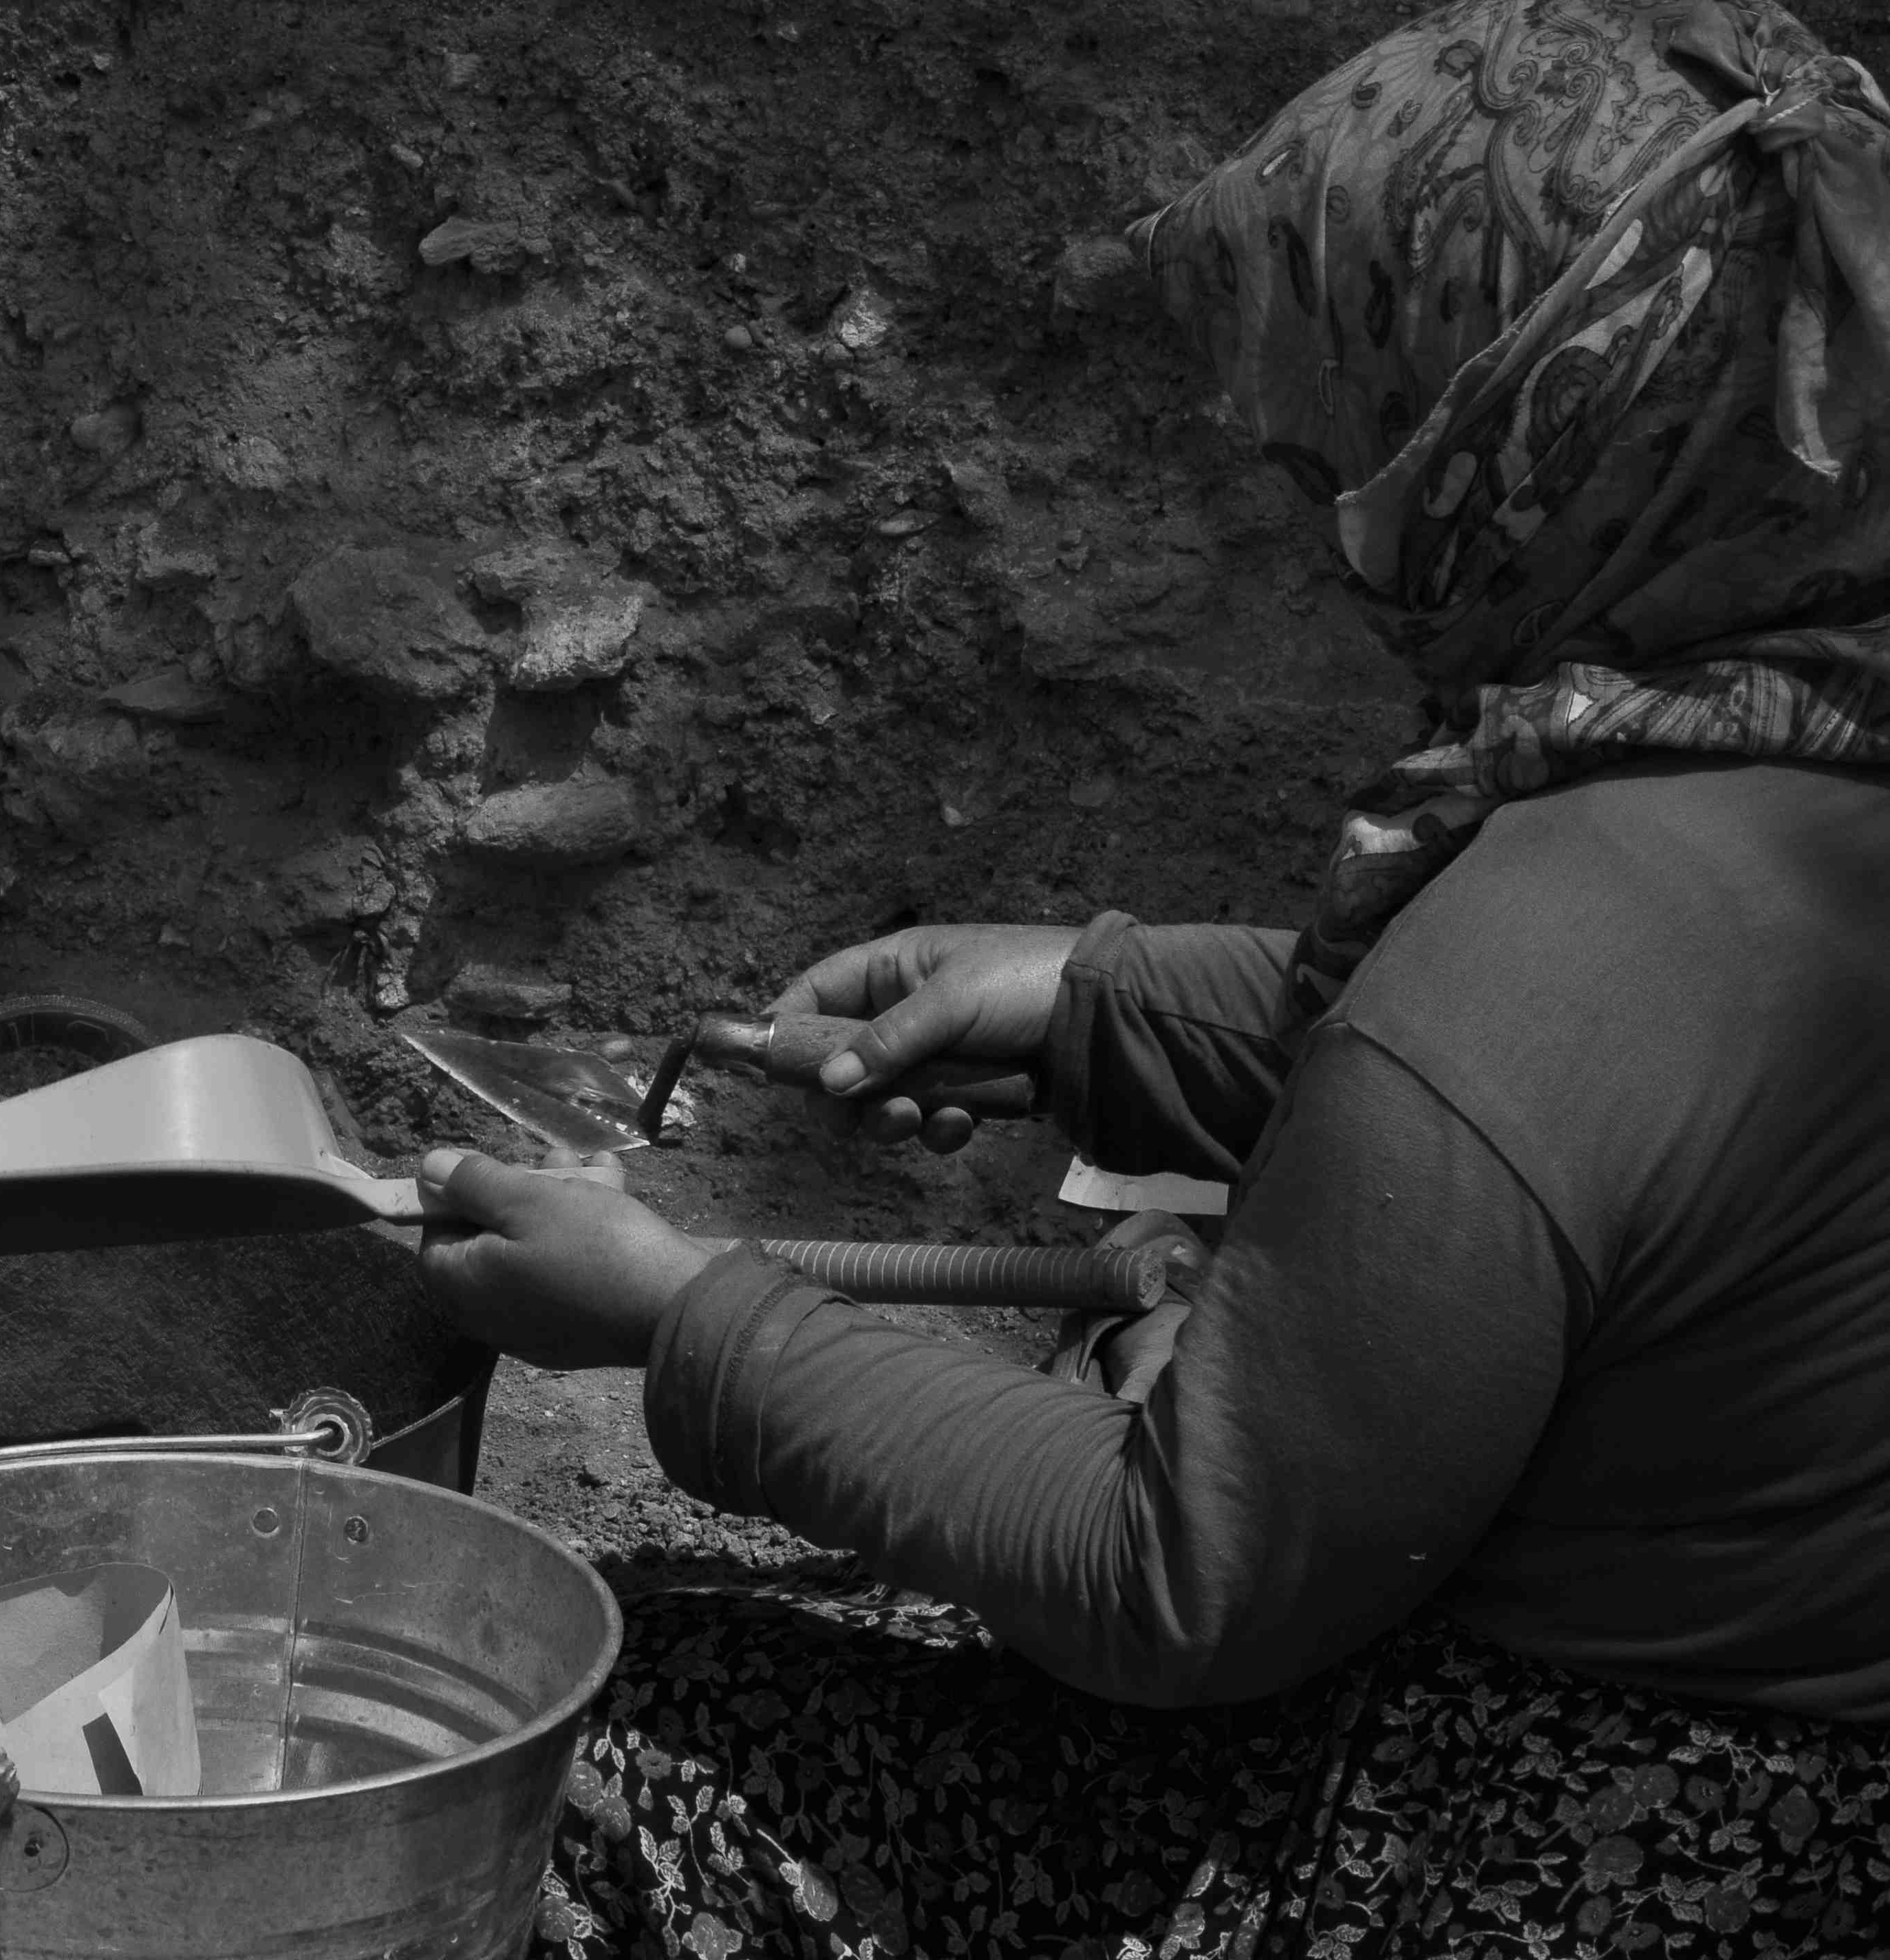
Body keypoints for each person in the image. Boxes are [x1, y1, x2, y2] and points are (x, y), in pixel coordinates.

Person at [415, 2, 1890, 1953]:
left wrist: (682, 1320)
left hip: (1551, 1863)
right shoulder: (1810, 751)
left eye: (1362, 427)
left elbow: (1175, 1580)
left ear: (1543, 430)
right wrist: (1097, 1005)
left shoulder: (1567, 935)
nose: (1318, 495)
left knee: (575, 1744)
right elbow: (1618, 1141)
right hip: (1792, 1820)